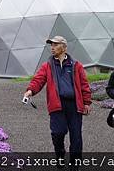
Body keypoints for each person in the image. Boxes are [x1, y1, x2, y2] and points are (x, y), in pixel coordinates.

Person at [23, 36, 92, 168]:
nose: (52, 47)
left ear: (64, 47)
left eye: (55, 44)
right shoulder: (48, 65)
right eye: (51, 45)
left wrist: (87, 102)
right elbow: (38, 80)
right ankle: (60, 155)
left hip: (74, 105)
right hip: (57, 104)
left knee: (76, 137)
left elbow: (84, 85)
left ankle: (74, 165)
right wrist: (30, 91)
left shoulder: (76, 65)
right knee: (57, 132)